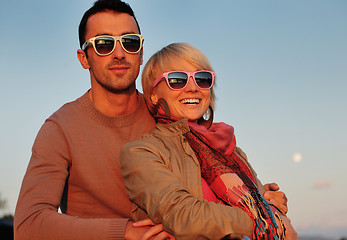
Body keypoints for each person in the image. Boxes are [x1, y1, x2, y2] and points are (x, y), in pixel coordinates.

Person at [14, 0, 288, 239]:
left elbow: (208, 181)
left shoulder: (170, 113)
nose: (119, 53)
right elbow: (28, 224)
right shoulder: (61, 128)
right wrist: (122, 232)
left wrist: (259, 199)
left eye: (130, 42)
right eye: (103, 44)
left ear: (141, 53)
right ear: (84, 57)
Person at [120, 42, 298, 240]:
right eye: (177, 80)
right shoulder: (142, 152)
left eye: (201, 79)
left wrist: (273, 203)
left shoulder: (230, 150)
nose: (193, 88)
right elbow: (182, 214)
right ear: (153, 95)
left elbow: (271, 210)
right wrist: (261, 219)